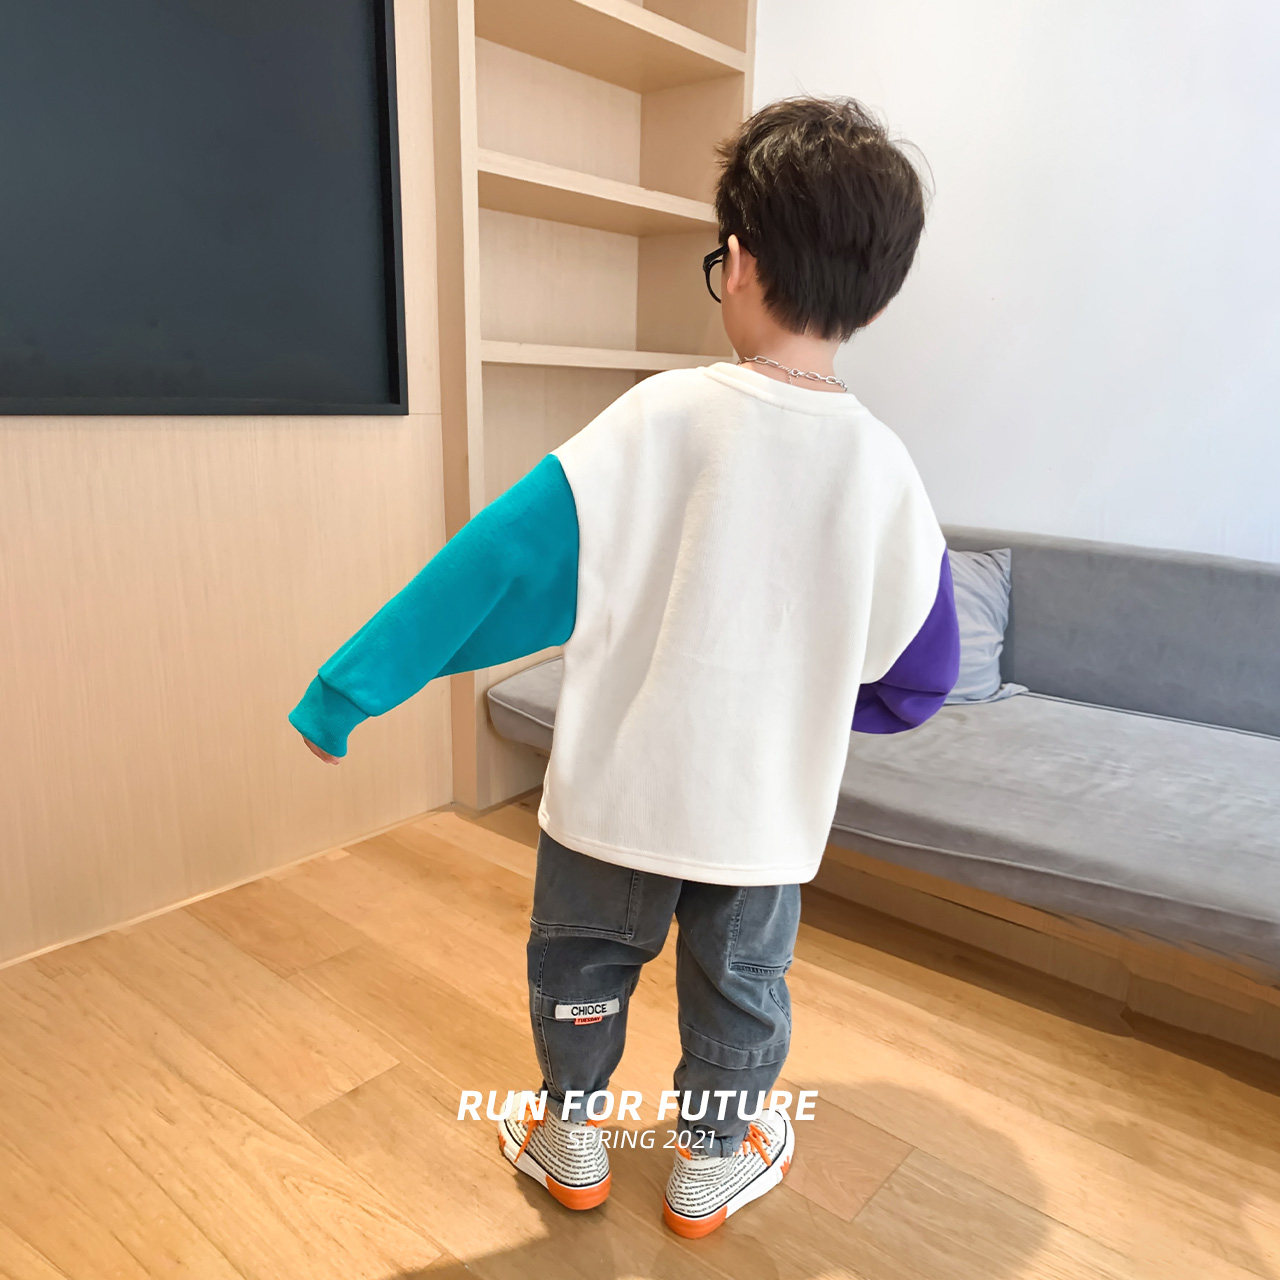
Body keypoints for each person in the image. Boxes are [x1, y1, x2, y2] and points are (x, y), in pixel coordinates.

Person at [288, 94, 960, 1238]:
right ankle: (707, 1163)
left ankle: (572, 1139)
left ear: (735, 262)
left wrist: (347, 689)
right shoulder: (884, 470)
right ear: (879, 297)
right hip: (758, 817)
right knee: (739, 991)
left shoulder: (658, 416)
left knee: (580, 973)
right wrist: (802, 699)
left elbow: (494, 564)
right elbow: (917, 672)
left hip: (612, 797)